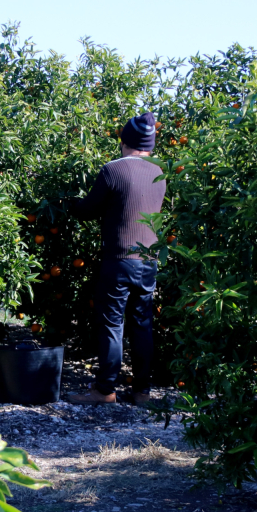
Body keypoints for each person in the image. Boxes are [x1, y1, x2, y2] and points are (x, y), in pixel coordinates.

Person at [66, 112, 165, 406]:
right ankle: (142, 392)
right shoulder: (160, 171)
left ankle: (105, 390)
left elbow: (88, 210)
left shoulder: (113, 170)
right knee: (142, 324)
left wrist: (68, 203)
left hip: (119, 260)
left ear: (125, 141)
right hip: (148, 261)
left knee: (112, 325)